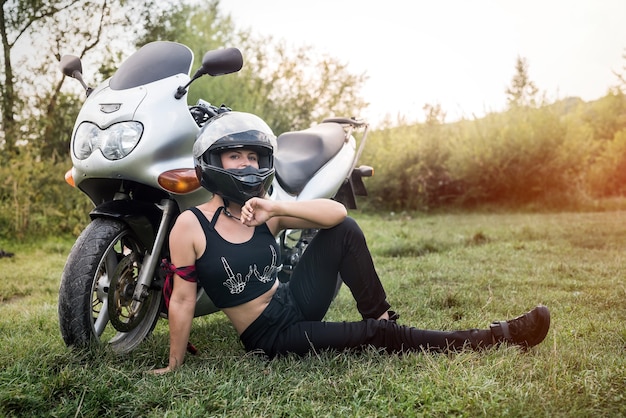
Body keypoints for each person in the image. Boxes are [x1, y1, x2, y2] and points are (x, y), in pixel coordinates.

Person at [150, 112, 550, 374]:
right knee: (375, 340)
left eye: (252, 157)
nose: (247, 164)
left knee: (346, 233)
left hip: (292, 301)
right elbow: (183, 300)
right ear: (212, 163)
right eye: (235, 156)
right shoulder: (190, 225)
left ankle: (381, 317)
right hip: (269, 336)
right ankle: (498, 336)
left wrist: (273, 209)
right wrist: (173, 364)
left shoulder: (260, 212)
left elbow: (337, 216)